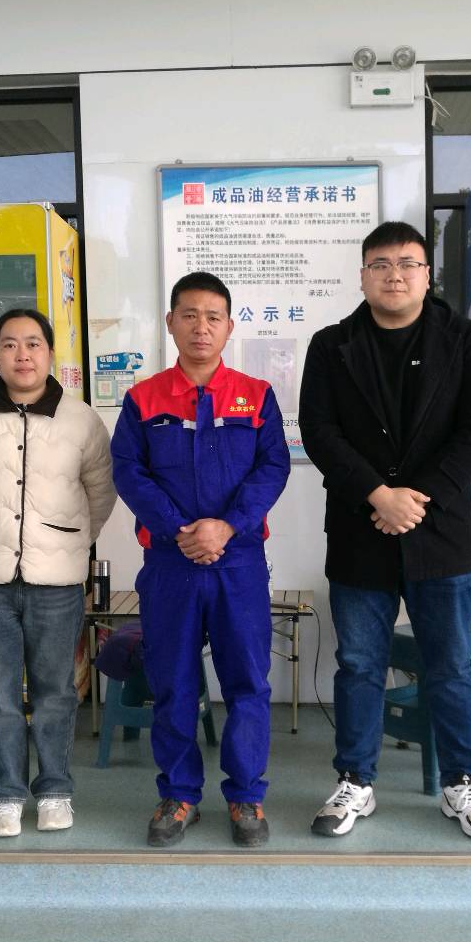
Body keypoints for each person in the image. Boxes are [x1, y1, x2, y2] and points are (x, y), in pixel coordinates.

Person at [299, 221, 471, 840]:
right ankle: (356, 782)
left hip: (439, 531)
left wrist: (417, 498)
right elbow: (319, 431)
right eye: (381, 264)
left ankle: (460, 782)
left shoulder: (463, 340)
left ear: (426, 274)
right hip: (360, 529)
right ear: (362, 275)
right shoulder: (331, 345)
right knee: (359, 664)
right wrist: (378, 495)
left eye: (408, 264)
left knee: (451, 666)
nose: (395, 275)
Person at [110, 271, 291, 848]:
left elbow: (273, 467)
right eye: (189, 315)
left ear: (230, 326)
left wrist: (227, 526)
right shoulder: (144, 399)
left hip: (239, 563)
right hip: (171, 564)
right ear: (170, 322)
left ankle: (246, 796)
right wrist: (179, 529)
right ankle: (179, 793)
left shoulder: (256, 395)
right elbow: (128, 472)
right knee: (174, 683)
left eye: (213, 317)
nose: (201, 327)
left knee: (247, 683)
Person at [0, 308, 115, 838]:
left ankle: (55, 791)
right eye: (10, 344)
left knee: (56, 691)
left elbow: (100, 494)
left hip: (56, 583)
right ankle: (6, 796)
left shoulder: (81, 420)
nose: (23, 354)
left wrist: (64, 540)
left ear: (50, 354)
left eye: (33, 344)